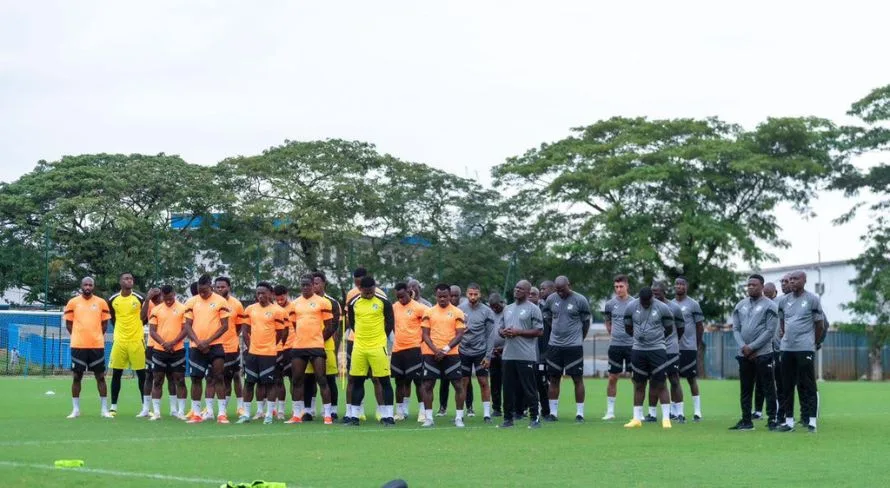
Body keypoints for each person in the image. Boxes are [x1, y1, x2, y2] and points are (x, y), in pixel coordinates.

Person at [776, 270, 824, 433]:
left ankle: (811, 421)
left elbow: (820, 325)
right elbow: (782, 321)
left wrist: (813, 343)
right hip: (787, 348)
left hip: (805, 348)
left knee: (808, 384)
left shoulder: (812, 299)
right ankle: (789, 422)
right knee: (787, 385)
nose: (792, 282)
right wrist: (785, 336)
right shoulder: (783, 301)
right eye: (790, 280)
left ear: (804, 280)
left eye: (796, 279)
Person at [730, 274, 779, 431]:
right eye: (749, 285)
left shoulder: (770, 306)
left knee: (768, 387)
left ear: (762, 287)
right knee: (745, 388)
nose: (751, 287)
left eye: (754, 285)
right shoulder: (740, 305)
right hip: (744, 354)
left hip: (763, 353)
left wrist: (753, 347)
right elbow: (736, 328)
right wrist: (744, 346)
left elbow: (770, 331)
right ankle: (746, 420)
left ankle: (772, 419)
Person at [345, 275, 396, 426]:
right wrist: (362, 338)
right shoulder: (354, 303)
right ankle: (354, 417)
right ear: (360, 289)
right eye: (365, 292)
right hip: (359, 348)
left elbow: (390, 323)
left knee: (384, 381)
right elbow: (353, 324)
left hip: (378, 347)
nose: (368, 294)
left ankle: (388, 416)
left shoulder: (383, 302)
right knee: (357, 381)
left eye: (371, 291)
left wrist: (379, 338)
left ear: (375, 288)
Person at [286, 274, 336, 425]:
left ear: (313, 286)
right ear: (300, 286)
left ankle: (327, 415)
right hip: (299, 347)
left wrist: (318, 339)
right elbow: (295, 325)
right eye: (303, 285)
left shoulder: (323, 302)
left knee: (322, 379)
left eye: (308, 285)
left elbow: (329, 326)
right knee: (297, 380)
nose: (306, 287)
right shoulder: (294, 304)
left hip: (316, 347)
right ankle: (296, 414)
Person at [623, 287, 674, 429]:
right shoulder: (631, 306)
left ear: (652, 297)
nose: (645, 304)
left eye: (648, 301)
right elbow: (627, 327)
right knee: (639, 384)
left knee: (661, 383)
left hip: (657, 350)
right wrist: (638, 337)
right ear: (639, 298)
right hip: (638, 350)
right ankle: (636, 418)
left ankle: (666, 419)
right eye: (643, 301)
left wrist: (657, 339)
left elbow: (669, 328)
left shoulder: (663, 308)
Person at [542, 276, 591, 423]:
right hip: (555, 346)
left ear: (569, 285)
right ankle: (553, 413)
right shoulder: (551, 299)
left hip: (573, 347)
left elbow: (586, 322)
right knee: (554, 379)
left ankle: (580, 414)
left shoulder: (580, 300)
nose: (560, 293)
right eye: (557, 290)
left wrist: (579, 338)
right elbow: (548, 317)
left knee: (577, 379)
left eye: (562, 290)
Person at [183, 274, 231, 424]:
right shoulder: (191, 301)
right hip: (196, 347)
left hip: (215, 346)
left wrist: (208, 342)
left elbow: (225, 326)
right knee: (196, 379)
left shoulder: (220, 301)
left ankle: (222, 414)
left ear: (210, 286)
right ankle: (196, 413)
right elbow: (187, 325)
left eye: (204, 291)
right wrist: (198, 342)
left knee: (218, 377)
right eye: (199, 291)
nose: (201, 294)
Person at [497, 280, 544, 429]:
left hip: (526, 355)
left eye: (521, 289)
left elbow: (539, 331)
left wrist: (519, 332)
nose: (517, 290)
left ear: (528, 292)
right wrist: (503, 332)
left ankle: (534, 418)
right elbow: (500, 327)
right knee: (508, 388)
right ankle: (507, 419)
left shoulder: (533, 309)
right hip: (508, 354)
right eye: (516, 287)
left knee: (529, 388)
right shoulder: (507, 308)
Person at [238, 282, 286, 424]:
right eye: (258, 293)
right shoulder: (250, 309)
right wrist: (250, 346)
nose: (260, 296)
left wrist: (270, 345)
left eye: (263, 293)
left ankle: (269, 415)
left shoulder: (277, 311)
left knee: (269, 384)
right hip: (252, 353)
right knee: (249, 383)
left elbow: (280, 332)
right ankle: (246, 414)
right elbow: (245, 330)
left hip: (269, 354)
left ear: (270, 293)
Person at [65, 277, 113, 419]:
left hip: (96, 346)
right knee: (76, 377)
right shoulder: (73, 302)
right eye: (85, 284)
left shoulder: (101, 302)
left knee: (100, 377)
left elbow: (105, 324)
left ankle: (104, 410)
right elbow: (69, 324)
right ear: (81, 286)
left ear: (93, 287)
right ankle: (76, 410)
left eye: (90, 285)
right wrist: (78, 336)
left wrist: (96, 335)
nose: (87, 287)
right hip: (78, 345)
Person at [420, 284, 467, 427]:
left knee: (458, 385)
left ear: (449, 295)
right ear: (436, 296)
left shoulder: (458, 312)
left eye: (445, 296)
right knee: (428, 385)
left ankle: (459, 418)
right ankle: (428, 418)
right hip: (431, 354)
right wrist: (435, 350)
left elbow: (459, 335)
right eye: (439, 296)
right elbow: (425, 334)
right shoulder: (428, 312)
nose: (442, 299)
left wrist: (445, 349)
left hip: (451, 354)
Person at [303, 271, 343, 421]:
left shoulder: (332, 302)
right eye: (312, 283)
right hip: (307, 346)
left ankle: (332, 410)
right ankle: (309, 410)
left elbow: (333, 326)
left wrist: (319, 340)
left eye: (317, 283)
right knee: (308, 379)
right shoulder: (303, 301)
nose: (314, 285)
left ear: (324, 283)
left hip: (325, 346)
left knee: (329, 379)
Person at [107, 272, 146, 417]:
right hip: (120, 341)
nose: (129, 281)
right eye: (126, 278)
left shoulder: (140, 297)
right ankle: (113, 407)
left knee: (142, 375)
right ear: (120, 281)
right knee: (116, 373)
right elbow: (113, 317)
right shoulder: (112, 299)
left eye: (131, 279)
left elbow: (145, 317)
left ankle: (145, 407)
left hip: (136, 341)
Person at [147, 285, 188, 420]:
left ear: (174, 294)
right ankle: (157, 413)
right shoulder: (156, 309)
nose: (168, 301)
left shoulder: (182, 308)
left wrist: (173, 342)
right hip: (160, 351)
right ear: (162, 297)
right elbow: (152, 331)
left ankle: (179, 411)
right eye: (166, 298)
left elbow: (185, 329)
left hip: (177, 350)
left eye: (170, 298)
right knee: (157, 381)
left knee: (179, 380)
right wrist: (164, 343)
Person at [646, 281, 684, 423]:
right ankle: (652, 414)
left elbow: (681, 328)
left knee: (674, 379)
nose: (654, 296)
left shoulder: (674, 308)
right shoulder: (648, 307)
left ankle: (679, 413)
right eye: (652, 293)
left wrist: (673, 341)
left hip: (670, 349)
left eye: (657, 293)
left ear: (663, 292)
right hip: (654, 349)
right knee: (654, 381)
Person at [458, 283, 496, 423]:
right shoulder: (460, 309)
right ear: (466, 294)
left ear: (480, 294)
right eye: (470, 294)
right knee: (463, 382)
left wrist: (488, 356)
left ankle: (487, 414)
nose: (473, 297)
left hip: (480, 352)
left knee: (483, 381)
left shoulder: (487, 311)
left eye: (475, 294)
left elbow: (490, 335)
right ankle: (459, 414)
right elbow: (454, 331)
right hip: (463, 351)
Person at [391, 282, 428, 421]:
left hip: (414, 349)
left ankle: (422, 411)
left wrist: (420, 342)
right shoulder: (394, 307)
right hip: (397, 349)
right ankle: (400, 411)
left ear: (409, 292)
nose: (401, 299)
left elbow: (426, 328)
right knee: (400, 382)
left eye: (402, 296)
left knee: (418, 382)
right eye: (398, 297)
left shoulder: (420, 308)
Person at [672, 276, 705, 421]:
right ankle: (676, 411)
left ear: (687, 286)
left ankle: (697, 411)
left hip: (688, 348)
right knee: (674, 379)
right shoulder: (669, 305)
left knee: (691, 379)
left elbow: (700, 326)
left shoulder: (693, 304)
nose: (679, 286)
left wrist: (696, 345)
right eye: (677, 284)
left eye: (682, 284)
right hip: (672, 348)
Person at [141, 288, 177, 418]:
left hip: (171, 347)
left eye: (159, 296)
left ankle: (173, 409)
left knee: (171, 377)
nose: (158, 298)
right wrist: (147, 299)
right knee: (150, 376)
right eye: (155, 296)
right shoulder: (151, 305)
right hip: (153, 346)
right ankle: (146, 408)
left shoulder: (173, 306)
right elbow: (142, 317)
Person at [214, 277, 247, 418]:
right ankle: (223, 408)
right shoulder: (212, 303)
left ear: (229, 287)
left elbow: (239, 326)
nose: (220, 289)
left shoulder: (237, 304)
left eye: (223, 287)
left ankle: (240, 407)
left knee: (235, 376)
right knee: (220, 377)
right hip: (216, 347)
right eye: (218, 287)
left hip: (232, 347)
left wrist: (232, 336)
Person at [436, 284, 470, 417]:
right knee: (443, 382)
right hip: (443, 352)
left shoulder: (461, 312)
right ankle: (442, 407)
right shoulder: (435, 310)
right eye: (453, 295)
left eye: (456, 295)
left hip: (461, 351)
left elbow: (463, 331)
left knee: (463, 380)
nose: (454, 298)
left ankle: (469, 407)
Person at [602, 274, 633, 420]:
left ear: (627, 286)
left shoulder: (635, 303)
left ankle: (638, 412)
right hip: (615, 346)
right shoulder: (609, 304)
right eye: (616, 287)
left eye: (621, 286)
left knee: (637, 379)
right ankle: (610, 411)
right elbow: (608, 322)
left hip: (633, 346)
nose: (618, 289)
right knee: (613, 377)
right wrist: (612, 333)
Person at [754, 281, 784, 422]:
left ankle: (778, 411)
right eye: (764, 294)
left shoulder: (780, 303)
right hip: (763, 348)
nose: (765, 296)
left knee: (775, 381)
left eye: (768, 293)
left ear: (774, 292)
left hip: (778, 348)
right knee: (759, 381)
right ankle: (758, 411)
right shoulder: (759, 305)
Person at [272, 285, 295, 421]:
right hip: (277, 348)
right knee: (278, 380)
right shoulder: (273, 309)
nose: (280, 301)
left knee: (294, 379)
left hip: (292, 347)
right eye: (277, 299)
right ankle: (279, 410)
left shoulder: (294, 307)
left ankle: (296, 409)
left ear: (287, 294)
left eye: (282, 298)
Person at [486, 293, 506, 418]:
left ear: (502, 303)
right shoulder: (489, 314)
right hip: (493, 353)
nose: (494, 308)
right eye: (492, 306)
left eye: (496, 306)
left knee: (509, 382)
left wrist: (503, 348)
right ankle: (496, 408)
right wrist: (490, 350)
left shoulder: (509, 312)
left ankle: (513, 408)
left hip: (507, 352)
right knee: (495, 382)